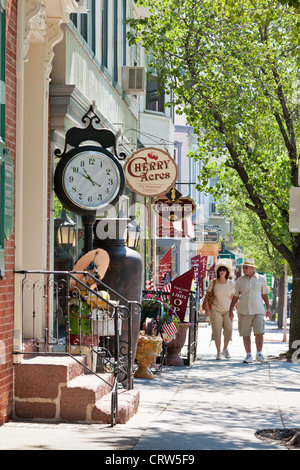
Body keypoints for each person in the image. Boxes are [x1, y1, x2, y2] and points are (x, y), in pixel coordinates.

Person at [229, 258, 272, 364]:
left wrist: (268, 309)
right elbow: (235, 297)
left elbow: (265, 295)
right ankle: (248, 355)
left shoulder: (261, 279)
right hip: (244, 311)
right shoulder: (239, 280)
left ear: (253, 268)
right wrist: (230, 311)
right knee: (245, 333)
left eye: (246, 267)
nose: (244, 269)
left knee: (259, 333)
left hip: (258, 310)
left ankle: (259, 354)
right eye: (243, 267)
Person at [203, 259, 235, 360]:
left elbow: (234, 297)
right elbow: (207, 296)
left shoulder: (231, 283)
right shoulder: (213, 282)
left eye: (224, 270)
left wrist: (235, 309)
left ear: (227, 272)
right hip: (215, 310)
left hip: (227, 311)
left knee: (229, 330)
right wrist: (207, 309)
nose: (222, 271)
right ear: (218, 272)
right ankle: (218, 352)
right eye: (220, 270)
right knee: (217, 331)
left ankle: (225, 349)